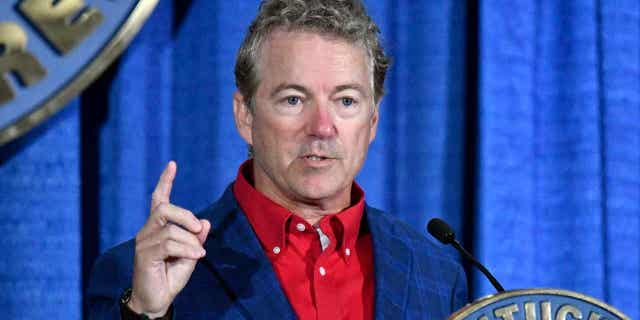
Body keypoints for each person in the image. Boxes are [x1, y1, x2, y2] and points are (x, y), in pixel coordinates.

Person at [87, 0, 468, 319]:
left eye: (346, 101)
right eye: (293, 100)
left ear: (372, 122)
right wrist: (146, 315)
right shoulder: (143, 277)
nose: (322, 127)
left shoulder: (436, 274)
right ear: (245, 116)